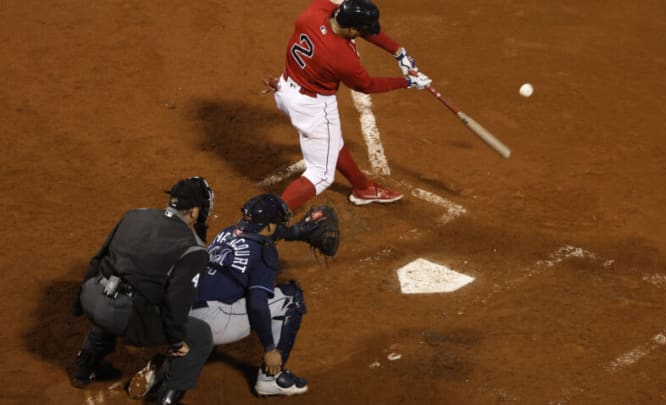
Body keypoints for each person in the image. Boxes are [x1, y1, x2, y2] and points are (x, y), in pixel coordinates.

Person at [271, 0, 432, 211]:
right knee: (320, 175)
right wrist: (408, 82)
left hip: (285, 88)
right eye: (361, 30)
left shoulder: (315, 12)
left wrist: (398, 51)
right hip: (313, 108)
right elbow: (367, 85)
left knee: (332, 139)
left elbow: (348, 17)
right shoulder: (341, 57)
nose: (364, 33)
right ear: (350, 28)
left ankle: (362, 187)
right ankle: (263, 222)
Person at [70, 176, 216, 405]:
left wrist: (79, 302)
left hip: (91, 295)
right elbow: (175, 301)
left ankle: (84, 368)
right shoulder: (194, 248)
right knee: (200, 335)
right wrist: (177, 341)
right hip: (124, 316)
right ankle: (168, 398)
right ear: (195, 211)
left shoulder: (134, 214)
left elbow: (98, 258)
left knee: (118, 291)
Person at [189, 194, 309, 396]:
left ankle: (175, 358)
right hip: (210, 322)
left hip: (180, 312)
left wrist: (297, 233)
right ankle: (271, 379)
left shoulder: (226, 233)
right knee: (291, 298)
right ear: (269, 227)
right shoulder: (263, 251)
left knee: (233, 284)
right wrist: (270, 348)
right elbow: (257, 304)